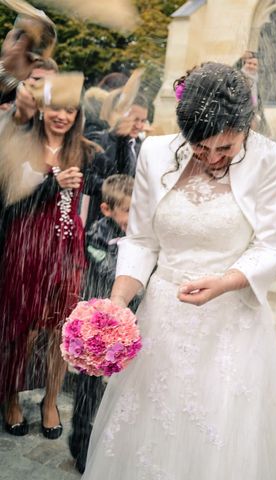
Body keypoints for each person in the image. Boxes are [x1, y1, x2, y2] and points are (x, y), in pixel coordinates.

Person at [82, 62, 276, 479]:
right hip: (163, 319)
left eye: (225, 148)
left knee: (221, 435)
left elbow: (273, 245)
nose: (212, 158)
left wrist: (225, 281)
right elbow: (142, 241)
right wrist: (116, 303)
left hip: (232, 321)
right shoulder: (154, 152)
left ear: (247, 124)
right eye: (200, 148)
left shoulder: (273, 160)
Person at [0, 75, 102, 440]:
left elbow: (106, 190)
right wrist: (49, 187)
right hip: (24, 247)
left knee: (61, 330)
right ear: (43, 108)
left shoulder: (85, 151)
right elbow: (8, 203)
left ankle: (50, 400)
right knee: (21, 329)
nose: (62, 115)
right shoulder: (18, 145)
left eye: (70, 109)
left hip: (66, 251)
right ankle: (9, 397)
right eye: (56, 107)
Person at [68, 174, 139, 473]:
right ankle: (81, 440)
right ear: (107, 209)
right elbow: (109, 268)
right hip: (99, 324)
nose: (132, 217)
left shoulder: (136, 234)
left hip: (127, 321)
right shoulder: (96, 234)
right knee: (89, 386)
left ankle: (112, 441)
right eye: (127, 211)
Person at [84, 93, 148, 228]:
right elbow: (87, 180)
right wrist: (115, 192)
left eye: (143, 121)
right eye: (135, 119)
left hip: (126, 223)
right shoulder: (99, 141)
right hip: (99, 221)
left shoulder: (140, 147)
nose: (139, 126)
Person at [238, 51, 271, 136]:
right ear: (244, 63)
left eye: (255, 64)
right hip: (240, 112)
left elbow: (258, 99)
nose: (251, 66)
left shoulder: (259, 80)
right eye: (249, 63)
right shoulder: (237, 76)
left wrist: (258, 113)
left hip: (255, 112)